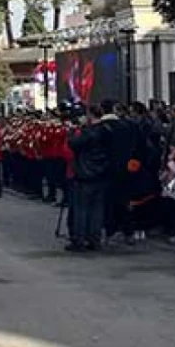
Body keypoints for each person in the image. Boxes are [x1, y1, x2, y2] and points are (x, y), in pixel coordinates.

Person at [66, 104, 111, 252]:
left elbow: (73, 144)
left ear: (90, 115)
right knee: (97, 209)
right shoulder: (107, 130)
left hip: (85, 173)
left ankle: (79, 239)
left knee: (81, 208)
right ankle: (94, 238)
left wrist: (73, 131)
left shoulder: (88, 132)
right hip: (101, 172)